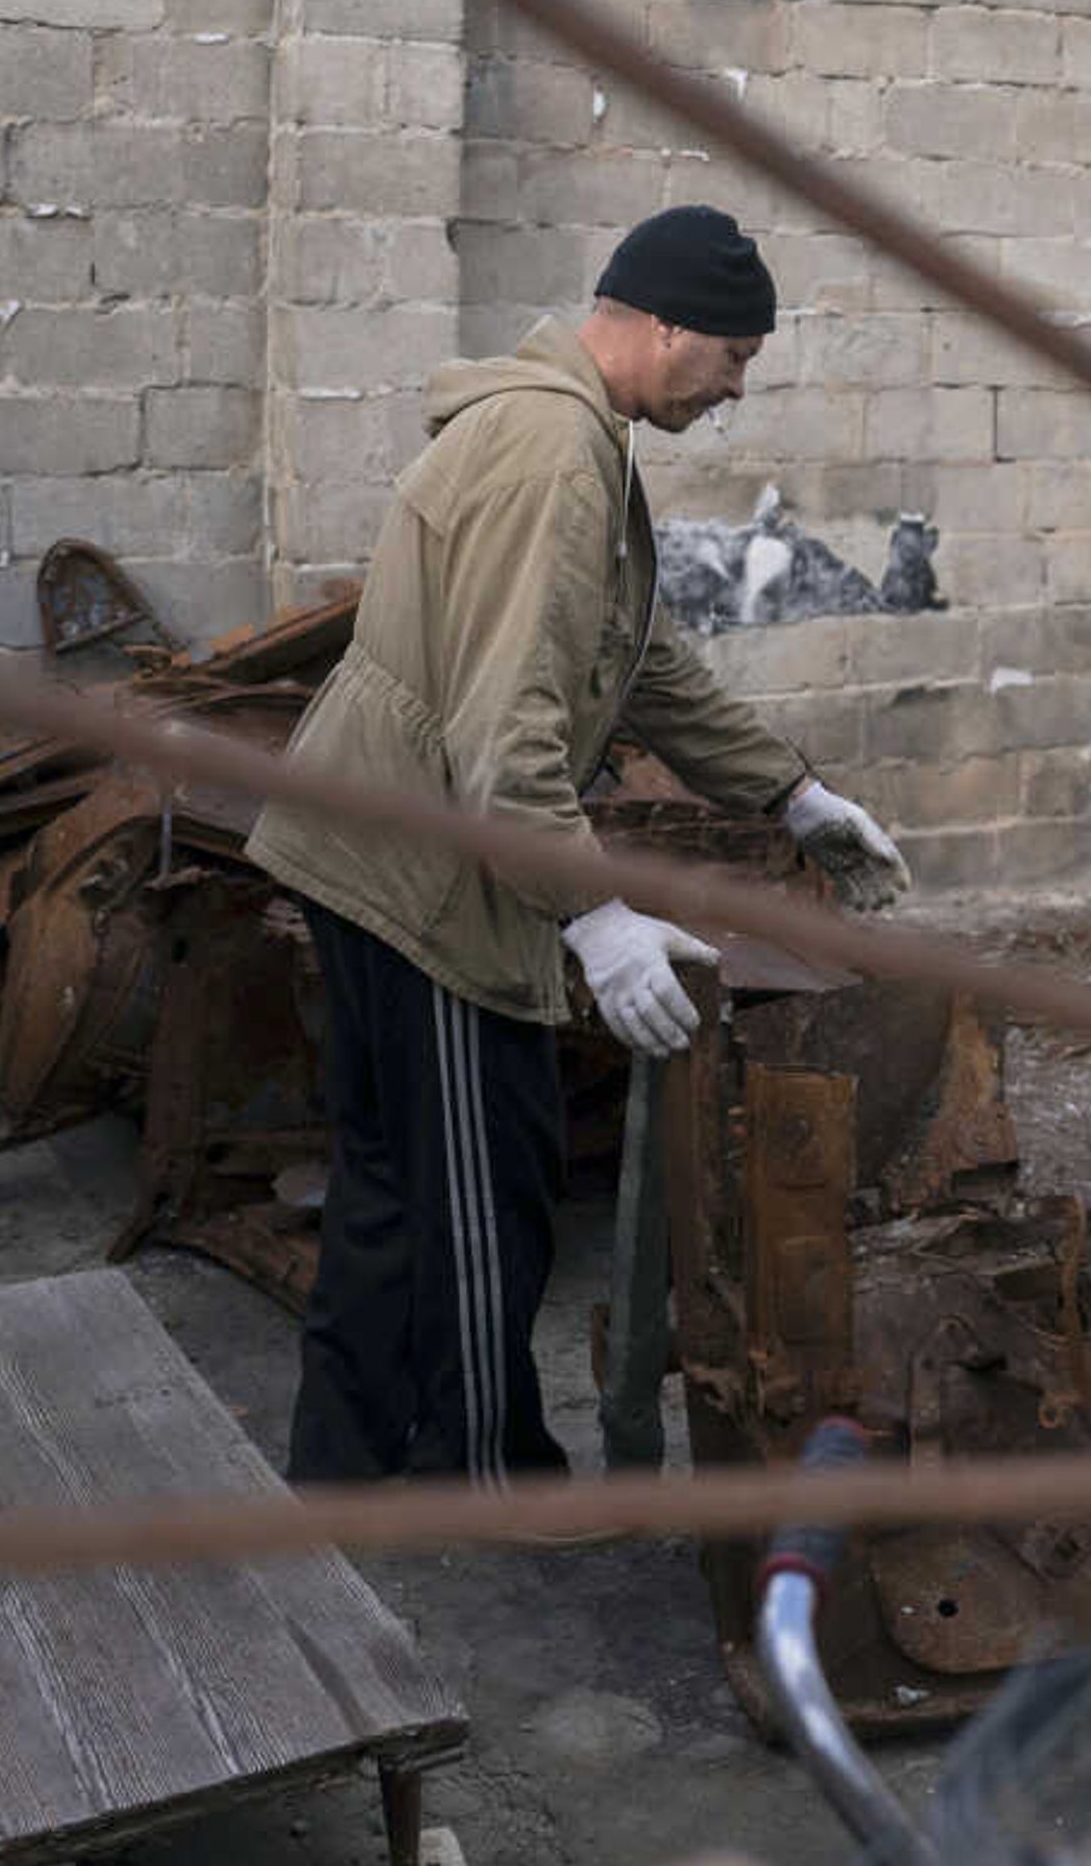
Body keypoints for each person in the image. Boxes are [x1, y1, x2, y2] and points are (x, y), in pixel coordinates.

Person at [247, 203, 914, 1485]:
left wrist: (790, 795)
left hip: (377, 842)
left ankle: (341, 1468)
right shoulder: (556, 452)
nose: (734, 396)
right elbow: (507, 735)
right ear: (665, 329)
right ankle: (492, 1481)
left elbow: (644, 661)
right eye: (733, 362)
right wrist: (594, 918)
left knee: (393, 1187)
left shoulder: (564, 433)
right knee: (485, 1201)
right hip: (424, 878)